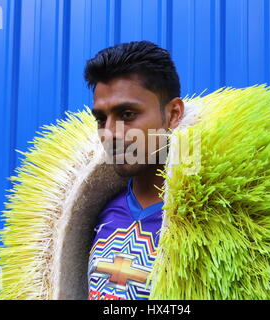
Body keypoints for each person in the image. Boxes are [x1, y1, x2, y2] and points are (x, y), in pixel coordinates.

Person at [84, 40, 184, 300]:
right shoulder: (96, 214)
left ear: (173, 114)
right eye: (101, 119)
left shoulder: (207, 220)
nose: (110, 133)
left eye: (127, 114)